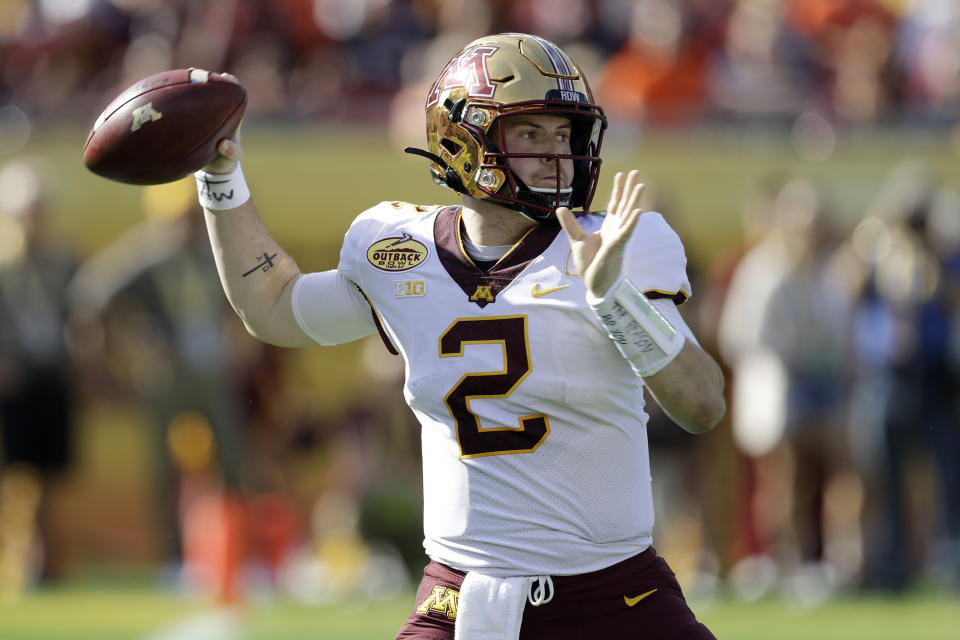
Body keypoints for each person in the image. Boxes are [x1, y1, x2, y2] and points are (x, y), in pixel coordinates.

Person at [194, 33, 724, 639]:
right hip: (460, 599)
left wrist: (615, 299)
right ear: (462, 141)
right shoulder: (398, 249)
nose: (557, 154)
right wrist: (221, 178)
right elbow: (276, 308)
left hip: (612, 594)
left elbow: (702, 404)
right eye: (530, 133)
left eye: (565, 135)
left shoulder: (617, 243)